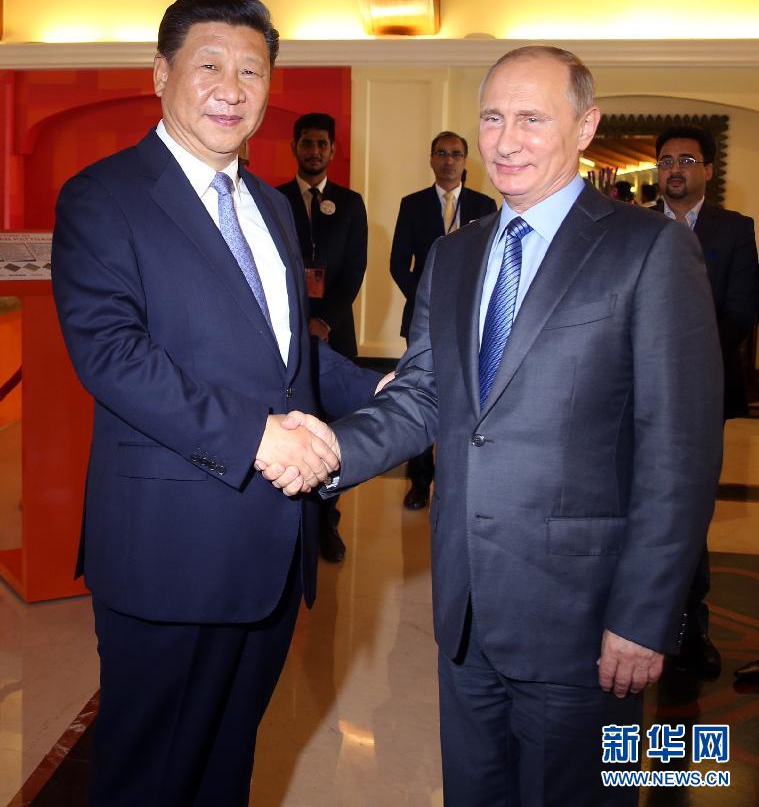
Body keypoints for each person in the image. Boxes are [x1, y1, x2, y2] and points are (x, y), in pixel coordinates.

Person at [276, 46, 724, 805]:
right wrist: (324, 453)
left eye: (530, 119)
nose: (505, 141)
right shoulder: (453, 255)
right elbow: (422, 395)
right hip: (465, 609)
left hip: (584, 618)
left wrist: (645, 616)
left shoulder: (649, 248)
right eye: (491, 118)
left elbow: (678, 452)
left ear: (585, 126)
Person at [51, 0, 380, 807]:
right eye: (209, 66)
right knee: (148, 777)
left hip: (270, 549)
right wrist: (259, 438)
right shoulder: (103, 196)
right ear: (161, 74)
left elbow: (284, 355)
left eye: (251, 71)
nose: (232, 89)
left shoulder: (269, 204)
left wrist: (378, 387)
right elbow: (113, 355)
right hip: (169, 547)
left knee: (226, 767)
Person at [653, 123, 758, 677]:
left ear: (709, 171)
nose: (676, 169)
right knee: (641, 507)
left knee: (688, 508)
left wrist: (684, 370)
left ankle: (691, 628)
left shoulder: (734, 230)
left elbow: (740, 311)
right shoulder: (634, 226)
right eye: (667, 160)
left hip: (702, 394)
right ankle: (639, 621)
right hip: (636, 396)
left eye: (688, 160)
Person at [278, 113, 369, 561]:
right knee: (290, 425)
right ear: (295, 147)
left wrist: (326, 322)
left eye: (322, 144)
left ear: (333, 150)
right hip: (286, 333)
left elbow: (355, 269)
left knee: (333, 431)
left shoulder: (350, 203)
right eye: (307, 143)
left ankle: (327, 523)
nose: (314, 151)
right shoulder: (272, 198)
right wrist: (300, 322)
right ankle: (292, 526)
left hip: (335, 333)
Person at [390, 131, 497, 509]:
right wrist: (429, 302)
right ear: (431, 159)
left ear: (465, 161)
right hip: (423, 321)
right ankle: (419, 483)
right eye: (441, 153)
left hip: (472, 323)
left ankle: (460, 479)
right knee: (421, 394)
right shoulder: (413, 204)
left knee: (466, 401)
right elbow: (398, 263)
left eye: (455, 154)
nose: (448, 160)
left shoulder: (485, 204)